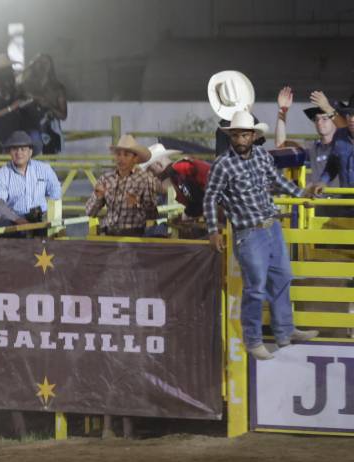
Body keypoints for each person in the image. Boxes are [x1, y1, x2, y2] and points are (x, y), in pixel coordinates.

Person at [204, 110, 324, 360]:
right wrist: (213, 230)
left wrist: (303, 193)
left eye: (244, 135)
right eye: (235, 135)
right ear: (231, 137)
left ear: (253, 136)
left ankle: (284, 331)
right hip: (248, 232)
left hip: (271, 226)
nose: (240, 140)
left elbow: (277, 180)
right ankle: (253, 340)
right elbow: (210, 197)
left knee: (282, 277)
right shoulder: (223, 164)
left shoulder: (261, 156)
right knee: (256, 288)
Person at [85, 134, 159, 236]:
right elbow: (89, 212)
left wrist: (137, 204)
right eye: (118, 154)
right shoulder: (106, 179)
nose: (121, 159)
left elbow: (153, 214)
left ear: (135, 158)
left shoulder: (145, 180)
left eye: (126, 155)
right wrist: (98, 197)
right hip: (108, 234)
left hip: (134, 235)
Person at [0, 131, 61, 236]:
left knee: (55, 226)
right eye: (15, 149)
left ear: (30, 152)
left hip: (42, 218)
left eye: (23, 149)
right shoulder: (0, 175)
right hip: (15, 219)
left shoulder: (45, 169)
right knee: (2, 225)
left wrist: (48, 214)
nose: (19, 153)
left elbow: (56, 192)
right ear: (10, 152)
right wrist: (17, 219)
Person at [141, 143, 213, 238]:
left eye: (150, 170)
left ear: (158, 164)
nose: (152, 175)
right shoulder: (177, 174)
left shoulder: (180, 168)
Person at [274, 87, 340, 186]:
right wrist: (282, 111)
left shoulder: (347, 145)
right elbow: (281, 146)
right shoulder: (313, 148)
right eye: (316, 119)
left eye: (325, 118)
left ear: (335, 120)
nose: (319, 123)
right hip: (318, 196)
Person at [0, 54, 36, 155]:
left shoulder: (13, 86)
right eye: (8, 69)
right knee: (10, 119)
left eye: (10, 68)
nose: (11, 70)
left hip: (14, 125)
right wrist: (10, 108)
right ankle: (0, 152)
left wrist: (24, 102)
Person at [19, 54, 68, 155]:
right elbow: (18, 105)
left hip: (49, 128)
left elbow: (63, 115)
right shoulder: (25, 85)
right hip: (29, 127)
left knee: (49, 152)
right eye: (39, 63)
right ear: (34, 65)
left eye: (45, 63)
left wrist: (48, 105)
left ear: (51, 66)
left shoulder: (57, 88)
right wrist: (32, 100)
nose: (42, 66)